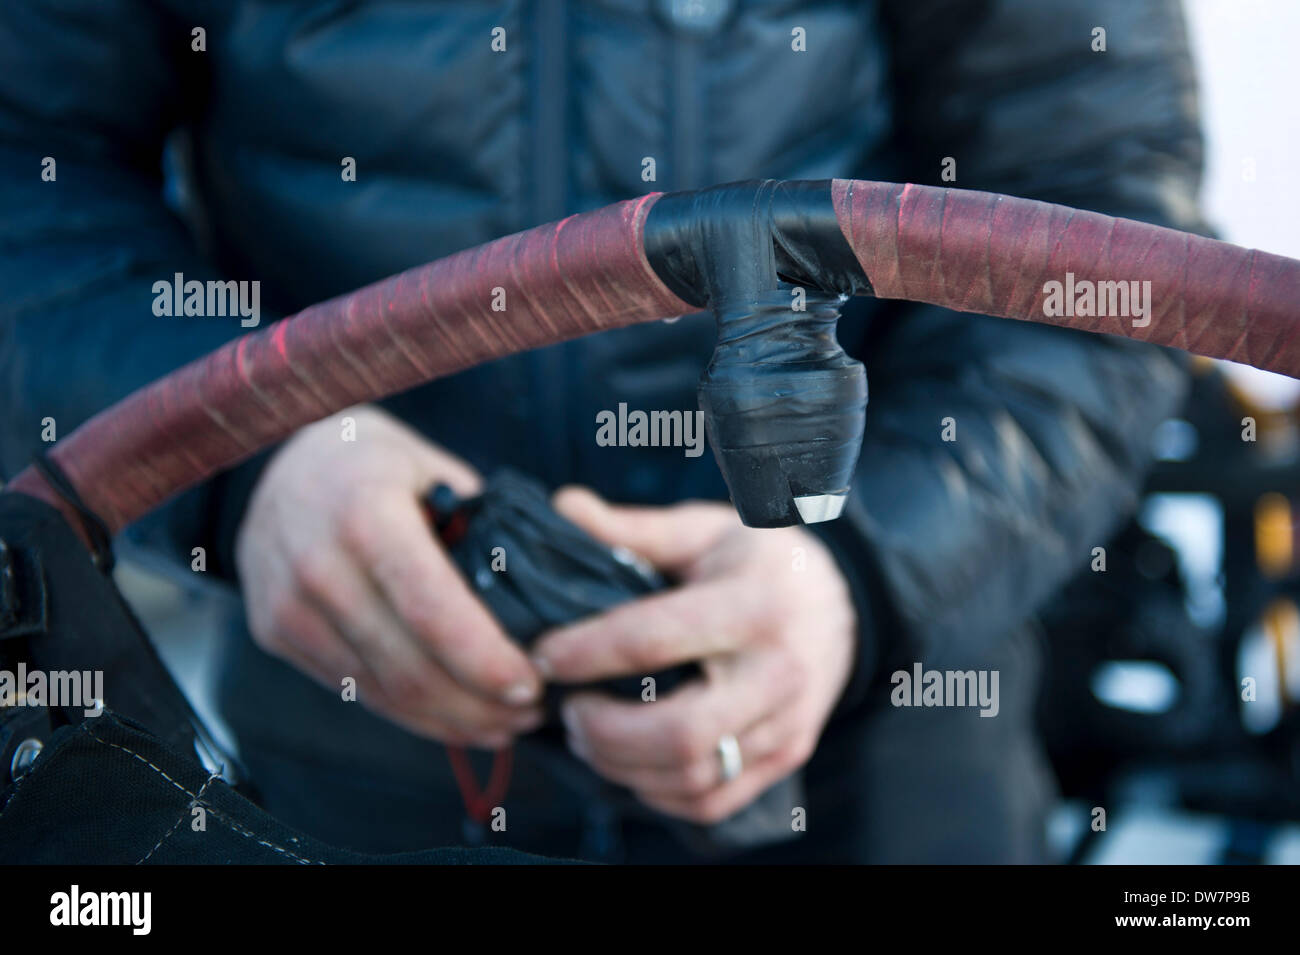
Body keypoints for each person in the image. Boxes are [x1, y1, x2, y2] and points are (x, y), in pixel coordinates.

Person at [0, 0, 1207, 862]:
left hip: (886, 719)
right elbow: (26, 170)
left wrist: (872, 570)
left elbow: (1100, 232)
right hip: (352, 713)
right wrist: (258, 453)